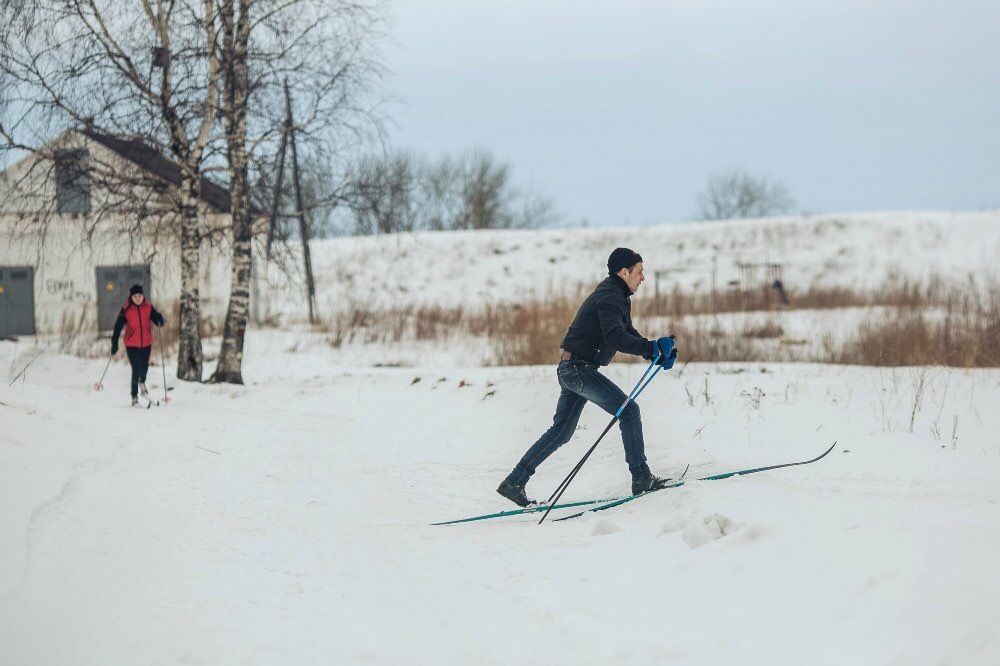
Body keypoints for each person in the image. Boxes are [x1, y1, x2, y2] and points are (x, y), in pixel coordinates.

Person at [497, 248, 679, 507]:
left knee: (561, 432)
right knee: (629, 411)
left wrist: (654, 352)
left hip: (574, 368)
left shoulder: (617, 295)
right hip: (578, 369)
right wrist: (650, 348)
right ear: (623, 271)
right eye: (639, 271)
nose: (643, 278)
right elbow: (615, 337)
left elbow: (627, 331)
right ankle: (641, 478)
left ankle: (514, 482)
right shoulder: (609, 296)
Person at [111, 284, 165, 406]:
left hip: (146, 342)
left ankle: (142, 383)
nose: (138, 298)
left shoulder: (148, 307)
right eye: (135, 296)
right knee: (136, 368)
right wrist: (114, 343)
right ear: (131, 297)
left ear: (142, 296)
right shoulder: (126, 309)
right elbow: (118, 326)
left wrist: (159, 320)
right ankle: (134, 397)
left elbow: (156, 319)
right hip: (131, 344)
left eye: (140, 295)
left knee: (144, 367)